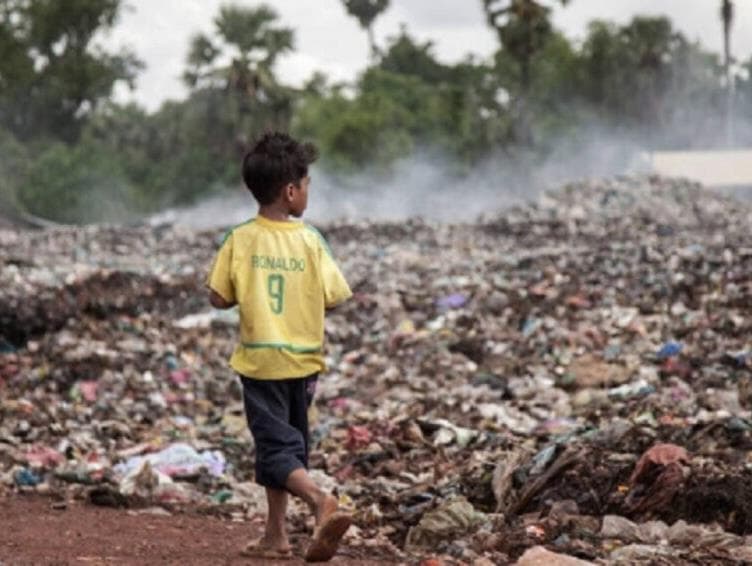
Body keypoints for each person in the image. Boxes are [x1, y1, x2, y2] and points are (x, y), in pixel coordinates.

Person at [206, 132, 353, 562]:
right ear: (291, 191)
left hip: (260, 360)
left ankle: (319, 500)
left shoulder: (240, 238)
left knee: (275, 447)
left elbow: (218, 297)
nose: (308, 193)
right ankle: (275, 534)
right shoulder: (310, 241)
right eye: (306, 185)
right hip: (304, 361)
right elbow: (336, 295)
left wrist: (245, 287)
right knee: (287, 446)